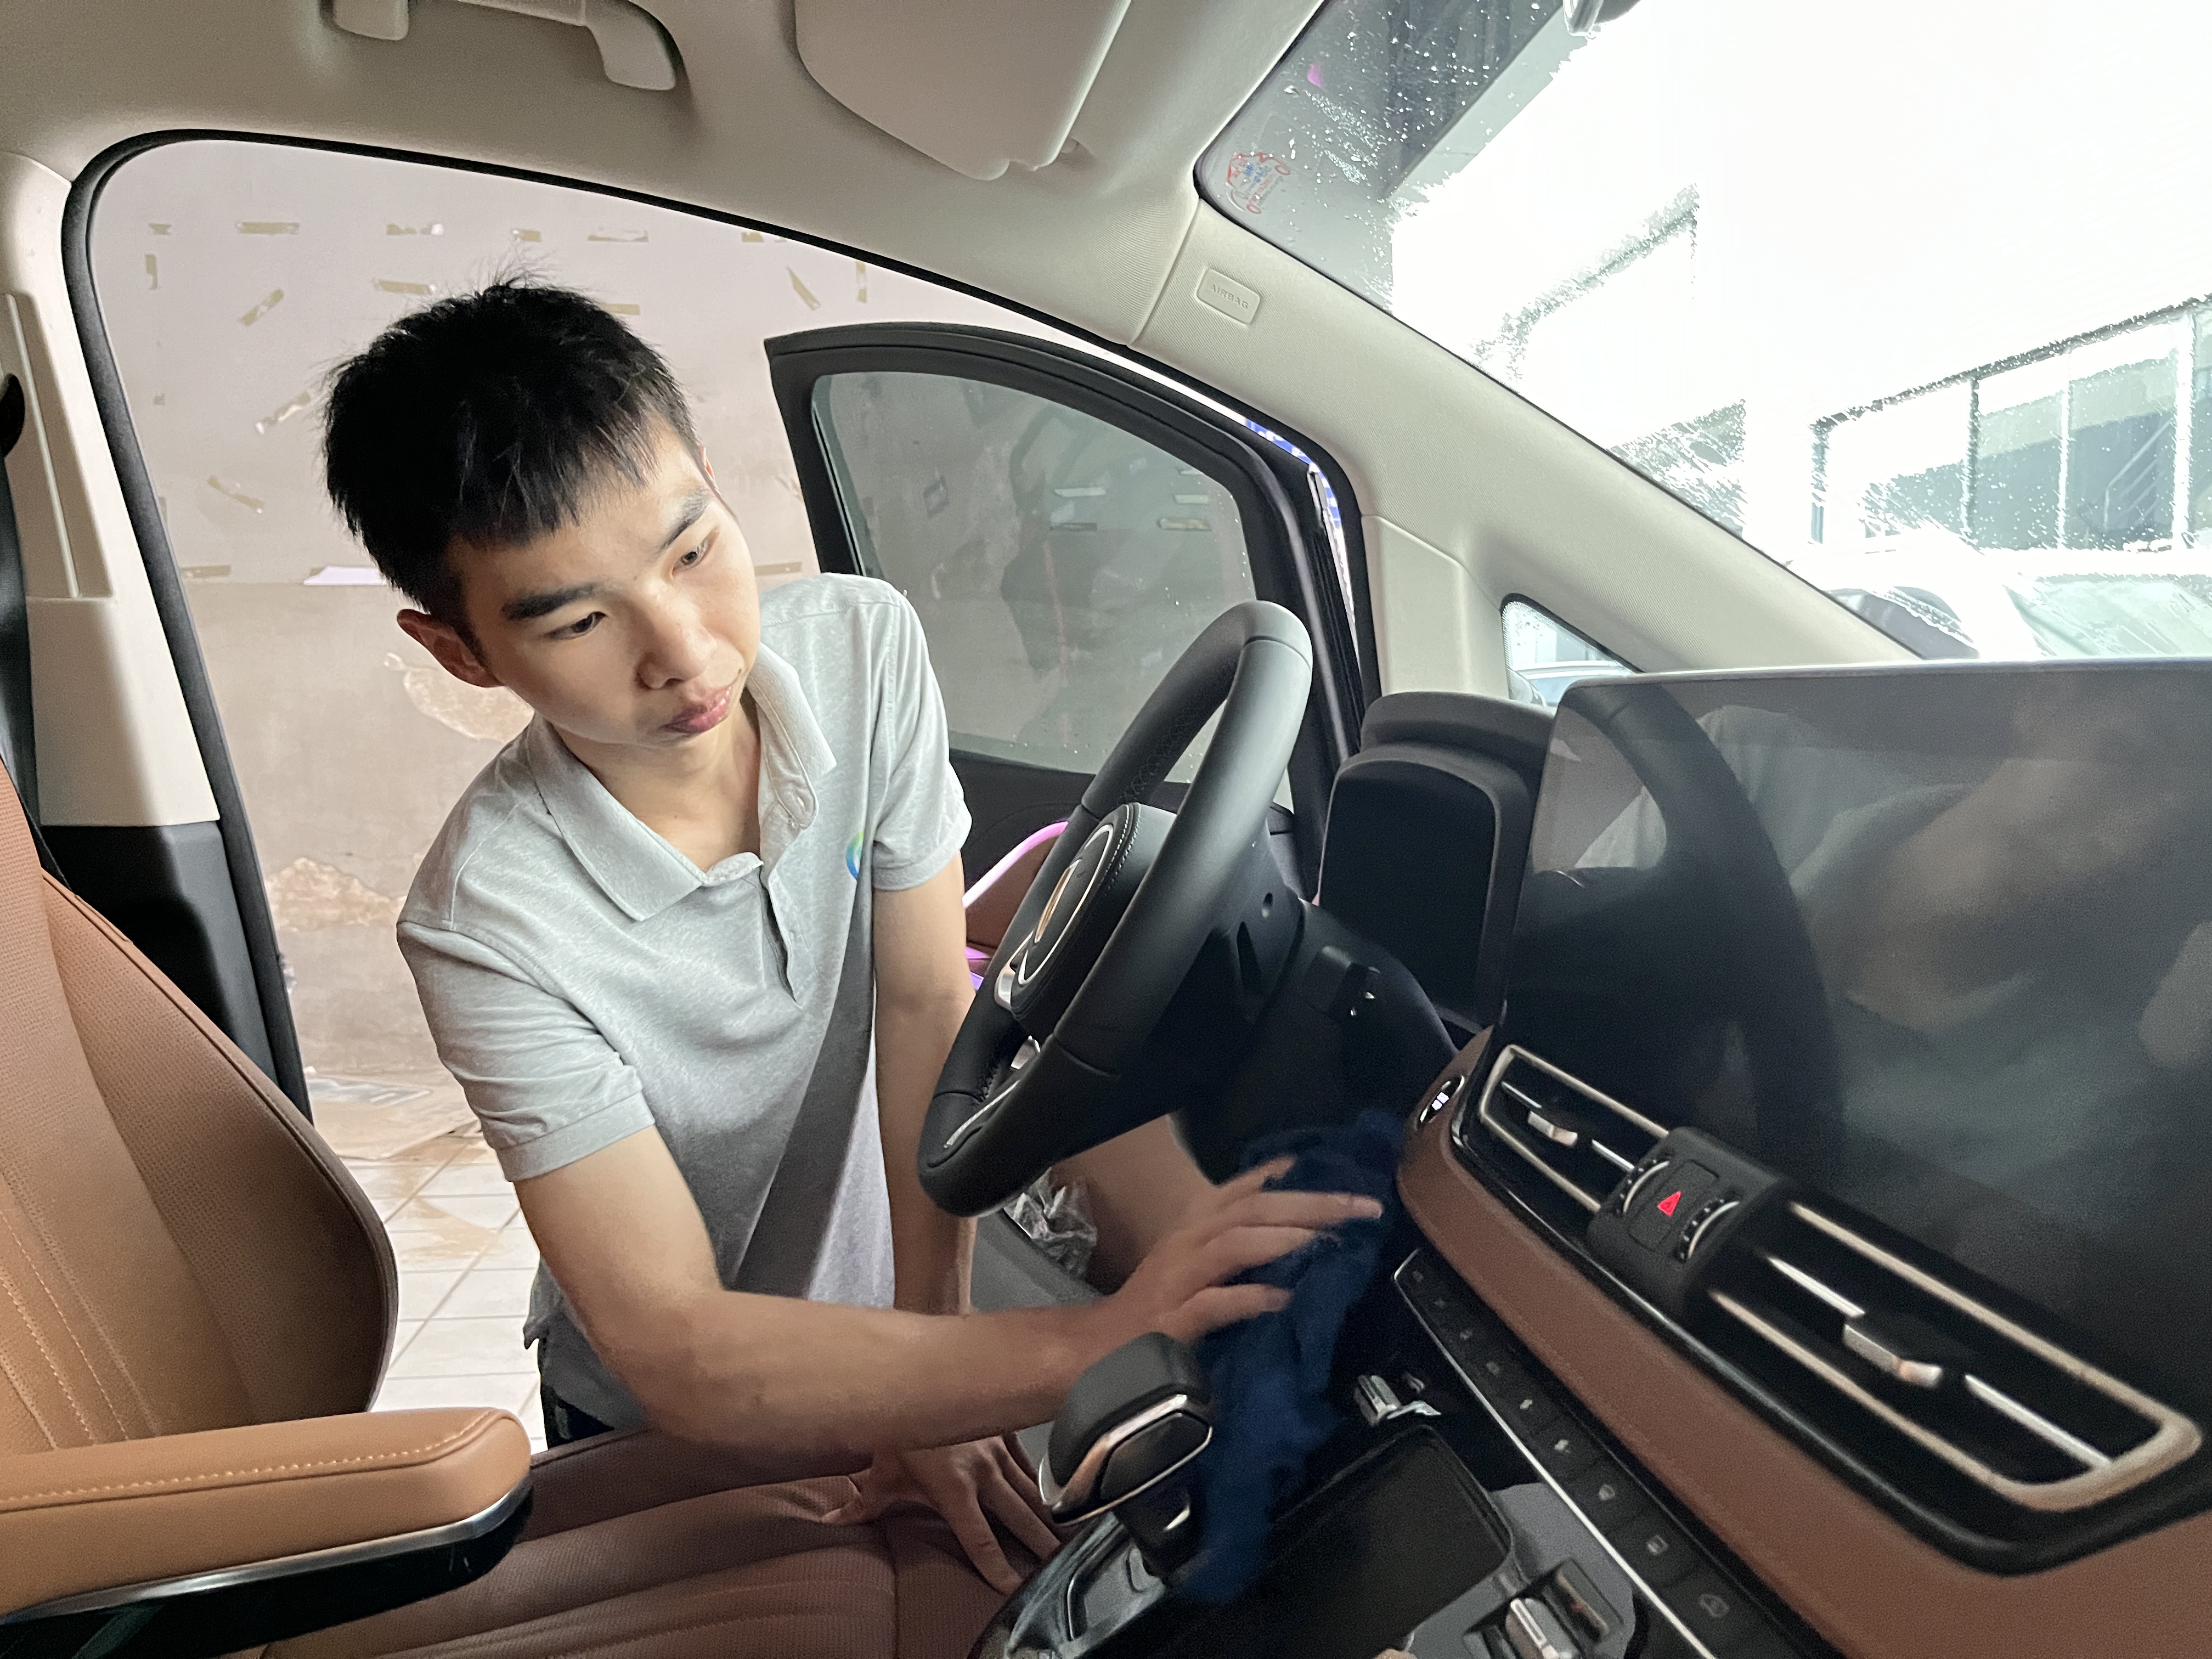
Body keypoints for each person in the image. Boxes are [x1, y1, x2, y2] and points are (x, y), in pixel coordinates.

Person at [320, 280, 1378, 1594]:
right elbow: (680, 1344)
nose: (684, 652)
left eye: (693, 551)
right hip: (683, 1411)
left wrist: (934, 1369)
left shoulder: (862, 648)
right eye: (581, 620)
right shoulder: (485, 925)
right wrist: (1103, 1334)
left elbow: (927, 1006)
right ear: (461, 651)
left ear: (714, 482)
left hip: (891, 1313)